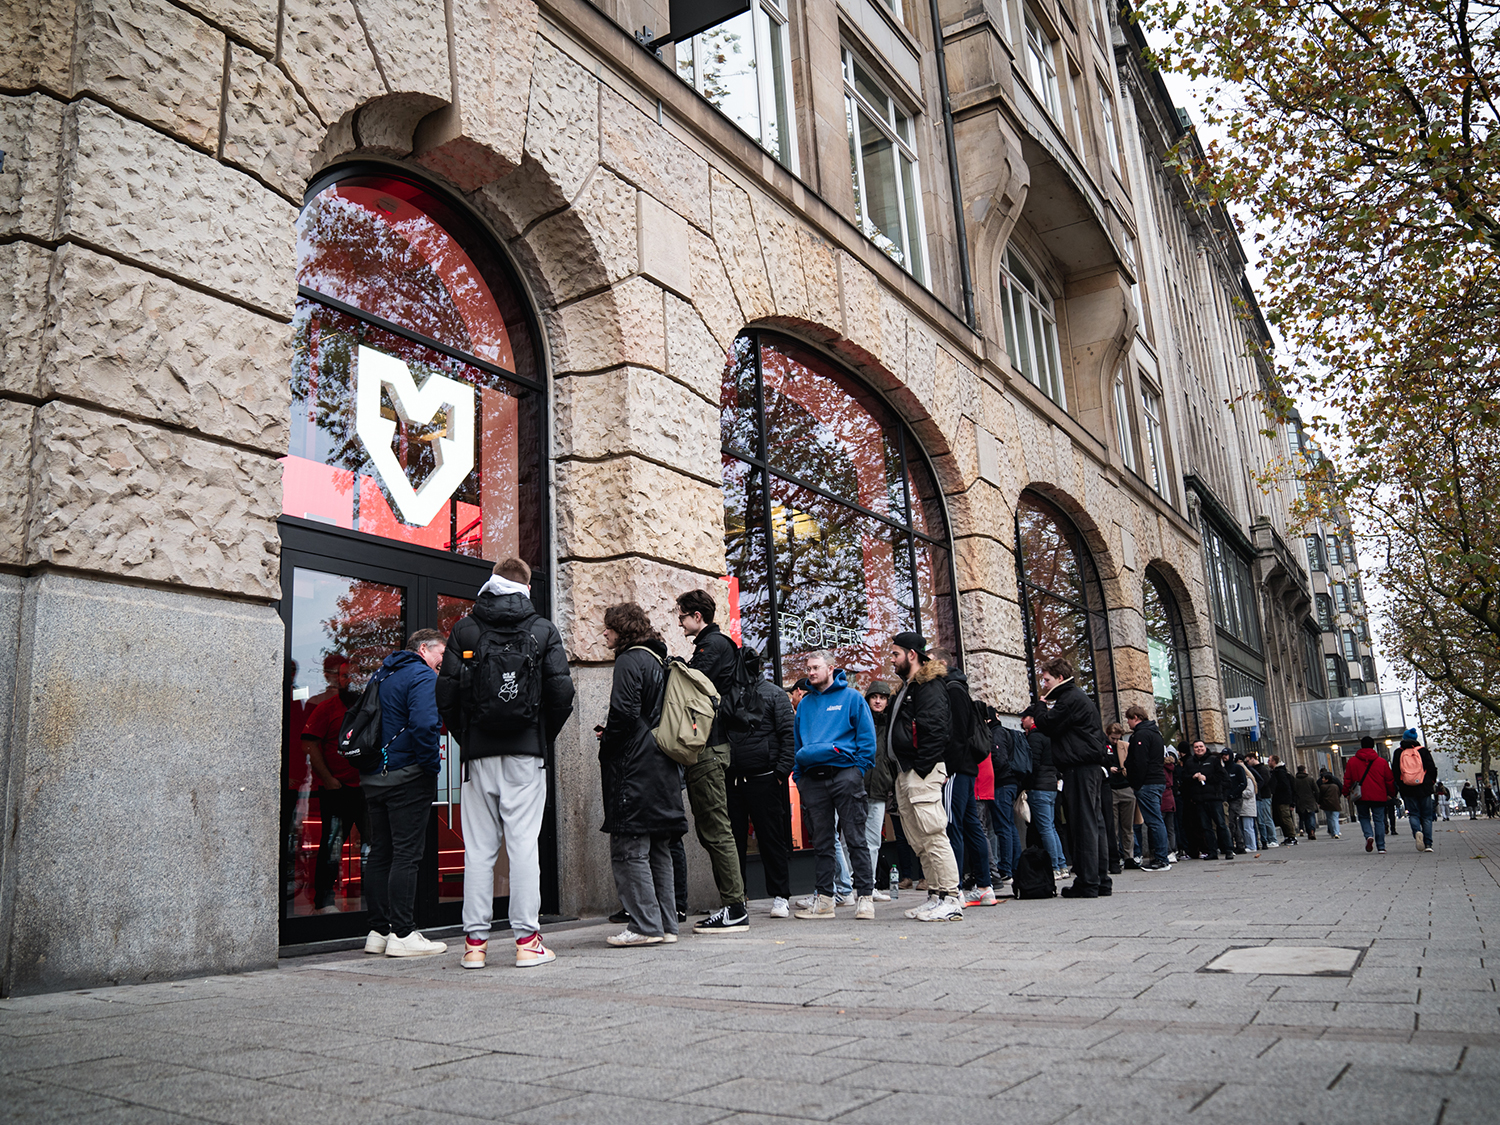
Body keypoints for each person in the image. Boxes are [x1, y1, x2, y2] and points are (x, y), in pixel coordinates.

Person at [437, 557, 575, 971]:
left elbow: (446, 696)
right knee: (523, 846)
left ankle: (475, 945)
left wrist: (471, 737)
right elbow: (562, 694)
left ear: (491, 583)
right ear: (527, 587)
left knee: (478, 850)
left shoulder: (465, 628)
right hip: (525, 755)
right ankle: (526, 941)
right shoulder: (542, 629)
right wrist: (537, 737)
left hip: (479, 756)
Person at [596, 603, 686, 947]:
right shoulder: (659, 660)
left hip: (634, 765)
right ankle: (665, 926)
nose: (604, 633)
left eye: (608, 627)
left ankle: (643, 927)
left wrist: (609, 746)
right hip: (662, 761)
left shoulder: (630, 659)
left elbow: (624, 711)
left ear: (622, 629)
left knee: (629, 846)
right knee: (659, 848)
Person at [363, 629, 448, 959]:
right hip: (408, 777)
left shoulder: (381, 674)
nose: (444, 661)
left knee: (381, 853)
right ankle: (403, 933)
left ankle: (378, 931)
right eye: (442, 652)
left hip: (375, 778)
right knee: (406, 855)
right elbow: (426, 725)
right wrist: (431, 767)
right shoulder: (422, 676)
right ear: (424, 649)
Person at [675, 589, 750, 933]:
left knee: (717, 830)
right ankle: (733, 905)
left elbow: (695, 689)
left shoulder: (713, 646)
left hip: (709, 747)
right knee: (712, 831)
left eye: (682, 614)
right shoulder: (716, 645)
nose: (679, 619)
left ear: (697, 616)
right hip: (711, 747)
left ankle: (734, 908)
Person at [791, 651, 877, 919]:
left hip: (844, 775)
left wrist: (856, 771)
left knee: (855, 838)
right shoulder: (804, 705)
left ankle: (865, 897)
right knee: (823, 842)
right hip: (812, 779)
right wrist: (799, 776)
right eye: (808, 668)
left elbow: (867, 740)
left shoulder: (851, 698)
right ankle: (825, 899)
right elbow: (797, 742)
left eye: (816, 667)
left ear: (831, 669)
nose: (811, 672)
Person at [887, 632, 963, 920]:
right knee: (919, 838)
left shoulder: (929, 686)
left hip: (921, 771)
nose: (892, 659)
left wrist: (921, 767)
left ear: (911, 654)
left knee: (932, 834)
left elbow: (936, 730)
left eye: (895, 654)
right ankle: (936, 894)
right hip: (906, 771)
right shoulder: (908, 687)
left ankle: (951, 898)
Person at [724, 649, 796, 917]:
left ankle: (780, 895)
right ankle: (737, 896)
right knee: (734, 841)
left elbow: (788, 734)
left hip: (765, 777)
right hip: (733, 779)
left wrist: (780, 772)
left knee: (771, 839)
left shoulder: (775, 694)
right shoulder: (728, 693)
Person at [1034, 656, 1111, 898]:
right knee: (1093, 822)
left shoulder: (1069, 699)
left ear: (1059, 678)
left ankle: (1088, 882)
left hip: (1079, 768)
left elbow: (1047, 724)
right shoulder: (1076, 697)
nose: (1043, 683)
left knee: (1083, 824)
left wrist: (1039, 705)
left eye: (1046, 679)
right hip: (1087, 768)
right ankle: (1099, 879)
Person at [299, 654, 369, 913]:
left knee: (372, 846)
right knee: (331, 846)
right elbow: (309, 743)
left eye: (353, 674)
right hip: (337, 790)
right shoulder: (325, 708)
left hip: (365, 788)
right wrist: (328, 780)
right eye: (344, 674)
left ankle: (375, 899)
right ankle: (325, 901)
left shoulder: (368, 706)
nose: (349, 679)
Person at [929, 650, 997, 906]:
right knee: (971, 826)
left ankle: (954, 889)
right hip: (966, 768)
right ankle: (984, 886)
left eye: (930, 660)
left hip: (956, 768)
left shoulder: (952, 689)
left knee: (951, 825)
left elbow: (955, 733)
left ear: (943, 664)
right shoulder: (959, 688)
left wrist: (947, 768)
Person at [863, 681, 899, 901]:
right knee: (850, 838)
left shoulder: (891, 725)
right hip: (856, 786)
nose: (878, 701)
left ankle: (869, 884)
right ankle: (848, 884)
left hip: (879, 788)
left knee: (873, 840)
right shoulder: (859, 721)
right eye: (874, 696)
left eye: (883, 697)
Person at [1021, 707, 1067, 877]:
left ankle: (1054, 867)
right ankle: (1061, 864)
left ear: (1033, 719)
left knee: (1046, 828)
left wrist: (1026, 784)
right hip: (1051, 786)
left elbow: (1033, 763)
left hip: (1039, 787)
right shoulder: (1050, 736)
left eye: (1024, 717)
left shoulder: (1035, 737)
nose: (1021, 720)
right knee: (1051, 827)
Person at [1124, 705, 1169, 870]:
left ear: (1136, 717)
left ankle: (1162, 859)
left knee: (1154, 821)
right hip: (1156, 780)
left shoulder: (1141, 734)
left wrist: (1136, 783)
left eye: (1128, 719)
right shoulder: (1155, 733)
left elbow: (1140, 762)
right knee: (1156, 820)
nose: (1127, 723)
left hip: (1147, 782)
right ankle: (1162, 856)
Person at [1182, 741, 1234, 860]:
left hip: (1214, 798)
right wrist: (1192, 777)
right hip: (1199, 799)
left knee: (1221, 824)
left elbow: (1223, 778)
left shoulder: (1213, 760)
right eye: (1196, 747)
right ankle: (1212, 851)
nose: (1199, 749)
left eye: (1201, 747)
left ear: (1205, 748)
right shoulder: (1190, 762)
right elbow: (1184, 779)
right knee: (1206, 827)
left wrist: (1207, 778)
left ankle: (1228, 849)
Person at [1343, 736, 1396, 853]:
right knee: (1379, 820)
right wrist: (1391, 793)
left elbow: (1347, 779)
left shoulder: (1352, 762)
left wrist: (1346, 792)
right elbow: (1389, 780)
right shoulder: (1381, 762)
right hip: (1379, 795)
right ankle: (1381, 846)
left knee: (1364, 817)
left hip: (1360, 796)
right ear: (1373, 746)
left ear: (1361, 746)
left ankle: (1368, 836)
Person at [1393, 730, 1438, 852]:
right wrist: (1430, 782)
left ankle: (1417, 832)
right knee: (1427, 816)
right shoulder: (1422, 751)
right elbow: (1432, 768)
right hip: (1424, 788)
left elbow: (1396, 772)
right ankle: (1428, 844)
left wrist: (1401, 785)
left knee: (1413, 814)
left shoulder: (1398, 752)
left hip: (1407, 788)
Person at [1103, 721, 1138, 871]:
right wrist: (1108, 768)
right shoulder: (1103, 746)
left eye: (1118, 738)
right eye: (1113, 738)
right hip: (1111, 789)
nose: (1115, 741)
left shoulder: (1125, 746)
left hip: (1126, 788)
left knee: (1128, 827)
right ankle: (1115, 857)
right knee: (1113, 827)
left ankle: (1129, 856)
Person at [1245, 751, 1278, 849]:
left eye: (1248, 761)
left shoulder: (1262, 769)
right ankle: (1268, 839)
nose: (1247, 763)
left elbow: (1264, 781)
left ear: (1252, 759)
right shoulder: (1254, 769)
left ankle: (1272, 839)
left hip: (1264, 796)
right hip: (1259, 796)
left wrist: (1255, 788)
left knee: (1266, 818)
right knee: (1261, 819)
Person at [1228, 754, 1259, 851]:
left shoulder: (1248, 779)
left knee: (1248, 827)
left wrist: (1239, 793)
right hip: (1244, 807)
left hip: (1248, 807)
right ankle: (1248, 845)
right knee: (1243, 827)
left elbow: (1250, 792)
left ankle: (1252, 846)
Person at [1268, 755, 1298, 845]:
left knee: (1285, 818)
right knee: (1282, 818)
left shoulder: (1280, 772)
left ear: (1274, 761)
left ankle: (1292, 836)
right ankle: (1288, 836)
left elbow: (1286, 787)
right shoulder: (1277, 771)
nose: (1268, 762)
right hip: (1280, 799)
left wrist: (1291, 802)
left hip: (1283, 799)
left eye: (1269, 761)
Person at [1161, 749, 1180, 861]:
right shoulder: (1171, 767)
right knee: (1170, 827)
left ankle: (1168, 851)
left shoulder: (1161, 768)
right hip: (1170, 797)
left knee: (1163, 826)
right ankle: (1173, 849)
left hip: (1163, 797)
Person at [1293, 764, 1320, 840]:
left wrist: (1294, 802)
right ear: (1304, 770)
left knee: (1304, 818)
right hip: (1310, 801)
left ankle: (1309, 831)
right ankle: (1312, 830)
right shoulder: (1310, 779)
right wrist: (1316, 799)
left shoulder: (1295, 780)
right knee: (1311, 816)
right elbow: (1317, 790)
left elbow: (1294, 792)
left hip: (1300, 802)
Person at [1317, 768, 1344, 838]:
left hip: (1326, 804)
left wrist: (1319, 802)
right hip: (1335, 803)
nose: (1322, 779)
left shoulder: (1322, 787)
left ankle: (1332, 832)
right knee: (1335, 818)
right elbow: (1339, 792)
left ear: (1327, 780)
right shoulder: (1335, 786)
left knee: (1329, 818)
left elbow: (1320, 795)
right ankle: (1336, 832)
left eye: (1323, 778)